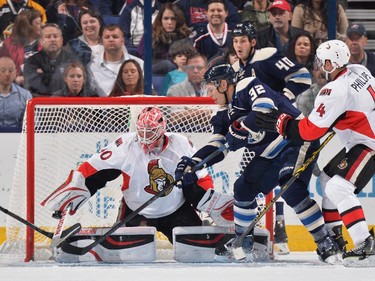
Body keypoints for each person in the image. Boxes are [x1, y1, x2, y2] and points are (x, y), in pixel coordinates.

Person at [176, 63, 341, 263]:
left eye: (210, 89)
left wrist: (242, 127)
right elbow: (218, 145)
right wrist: (194, 162)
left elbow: (264, 108)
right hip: (271, 153)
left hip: (296, 140)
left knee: (290, 188)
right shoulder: (221, 114)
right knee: (243, 188)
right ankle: (243, 242)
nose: (208, 95)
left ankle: (325, 241)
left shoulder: (246, 85)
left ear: (223, 84)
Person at [255, 39, 375, 265]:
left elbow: (309, 132)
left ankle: (366, 244)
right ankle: (336, 238)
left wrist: (280, 123)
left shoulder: (334, 90)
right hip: (363, 139)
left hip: (370, 143)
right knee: (327, 180)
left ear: (331, 64)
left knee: (338, 188)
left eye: (323, 61)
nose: (320, 65)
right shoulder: (359, 70)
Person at [41, 106, 234, 243]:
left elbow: (202, 175)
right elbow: (94, 167)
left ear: (161, 130)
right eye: (141, 131)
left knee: (199, 252)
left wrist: (205, 200)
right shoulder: (125, 144)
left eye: (150, 132)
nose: (144, 137)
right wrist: (78, 186)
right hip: (136, 211)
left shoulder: (180, 143)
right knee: (123, 256)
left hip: (176, 210)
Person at [231, 21, 312, 253]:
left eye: (243, 41)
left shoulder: (266, 56)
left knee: (283, 181)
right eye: (235, 41)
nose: (238, 45)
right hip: (260, 135)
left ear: (253, 42)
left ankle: (280, 226)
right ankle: (253, 234)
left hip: (284, 131)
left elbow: (303, 76)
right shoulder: (239, 69)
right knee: (250, 182)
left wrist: (283, 97)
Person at [23, 23, 78, 96]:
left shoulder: (73, 60)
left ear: (61, 40)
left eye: (55, 36)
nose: (52, 40)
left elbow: (78, 86)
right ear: (41, 41)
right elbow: (31, 87)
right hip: (41, 103)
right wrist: (61, 77)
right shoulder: (31, 61)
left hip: (67, 103)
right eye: (48, 37)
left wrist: (44, 76)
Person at [89, 24, 144, 97]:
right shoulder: (92, 66)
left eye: (115, 37)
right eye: (107, 37)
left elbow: (148, 92)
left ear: (122, 41)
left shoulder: (139, 63)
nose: (111, 40)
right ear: (102, 41)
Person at [137, 2, 191, 75]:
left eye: (173, 19)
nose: (169, 22)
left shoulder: (184, 36)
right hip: (153, 70)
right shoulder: (150, 34)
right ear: (160, 20)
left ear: (178, 20)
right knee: (166, 64)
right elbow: (142, 56)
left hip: (179, 71)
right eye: (166, 18)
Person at [0, 9, 43, 86]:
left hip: (43, 87)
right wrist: (14, 78)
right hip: (17, 88)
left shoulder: (45, 42)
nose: (42, 26)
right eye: (38, 23)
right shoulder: (8, 45)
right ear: (27, 26)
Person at [0, 56, 33, 130]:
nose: (7, 74)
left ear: (15, 73)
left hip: (17, 137)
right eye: (2, 70)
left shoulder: (25, 95)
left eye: (11, 70)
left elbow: (29, 125)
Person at [174, 0, 241, 32]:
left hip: (220, 38)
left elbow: (236, 26)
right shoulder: (185, 3)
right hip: (193, 39)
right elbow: (170, 15)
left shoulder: (227, 5)